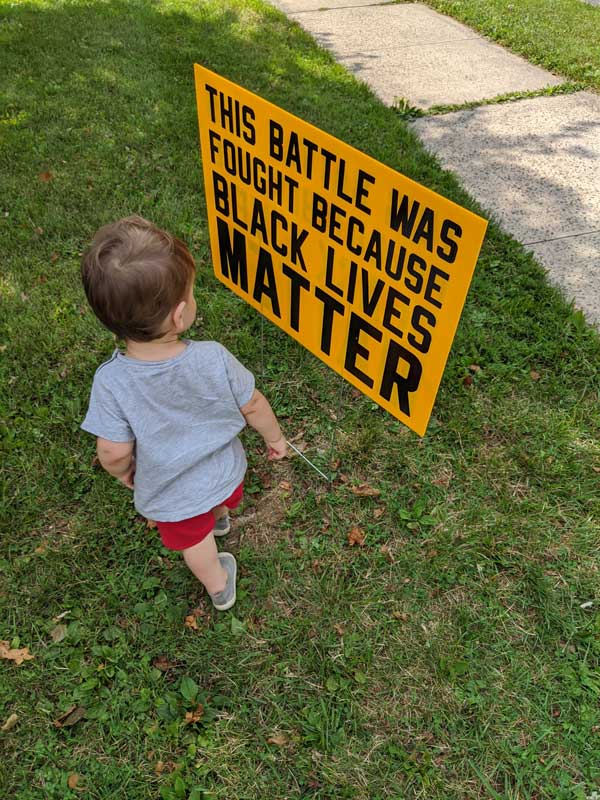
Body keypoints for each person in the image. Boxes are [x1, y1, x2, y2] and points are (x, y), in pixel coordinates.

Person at [80, 215, 287, 611]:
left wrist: (124, 472)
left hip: (171, 493)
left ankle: (219, 584)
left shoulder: (110, 383)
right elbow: (253, 404)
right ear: (179, 316)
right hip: (225, 473)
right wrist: (274, 439)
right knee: (219, 502)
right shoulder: (213, 357)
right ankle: (221, 518)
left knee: (195, 543)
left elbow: (113, 451)